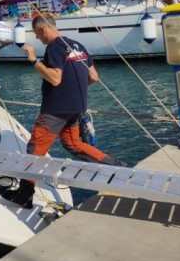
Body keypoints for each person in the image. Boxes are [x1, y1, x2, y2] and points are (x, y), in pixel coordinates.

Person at [7, 13, 125, 208]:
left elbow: (55, 79)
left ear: (42, 29)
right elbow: (93, 77)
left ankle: (24, 196)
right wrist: (72, 92)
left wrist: (34, 60)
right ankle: (116, 166)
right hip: (75, 107)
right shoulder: (79, 46)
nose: (38, 38)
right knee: (73, 144)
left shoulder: (54, 47)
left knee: (34, 151)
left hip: (55, 110)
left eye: (37, 34)